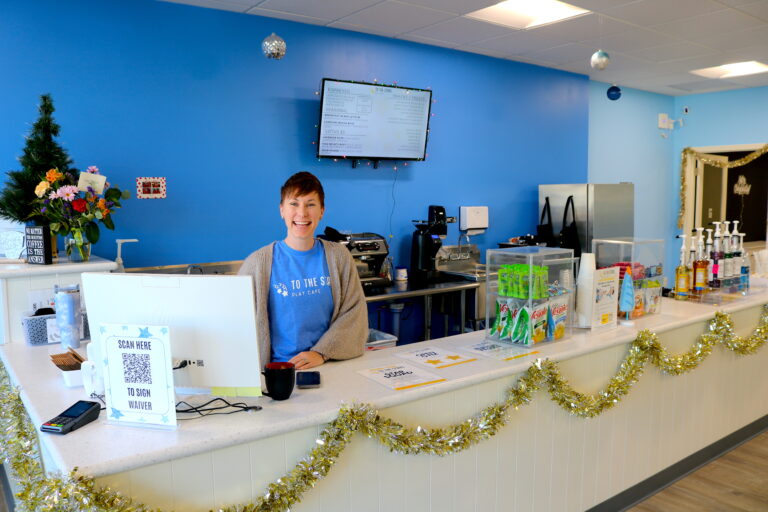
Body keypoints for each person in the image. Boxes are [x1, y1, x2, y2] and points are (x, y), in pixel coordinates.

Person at [239, 171, 368, 370]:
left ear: (322, 211)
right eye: (294, 204)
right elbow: (239, 324)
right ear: (281, 210)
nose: (302, 213)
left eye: (310, 204)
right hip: (280, 371)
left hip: (330, 363)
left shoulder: (339, 256)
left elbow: (354, 314)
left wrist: (321, 352)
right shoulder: (258, 263)